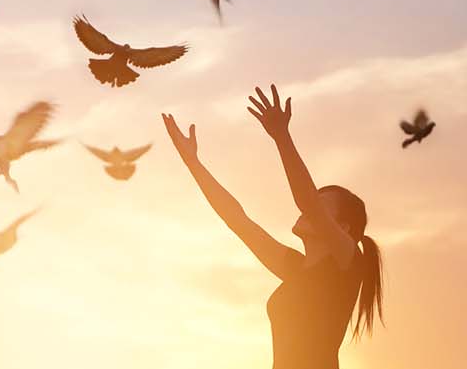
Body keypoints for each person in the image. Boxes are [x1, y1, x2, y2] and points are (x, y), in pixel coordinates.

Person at [161, 85, 384, 369]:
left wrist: (282, 137)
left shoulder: (348, 263)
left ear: (343, 226)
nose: (309, 206)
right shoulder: (297, 268)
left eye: (320, 202)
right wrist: (193, 163)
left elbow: (305, 201)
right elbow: (237, 220)